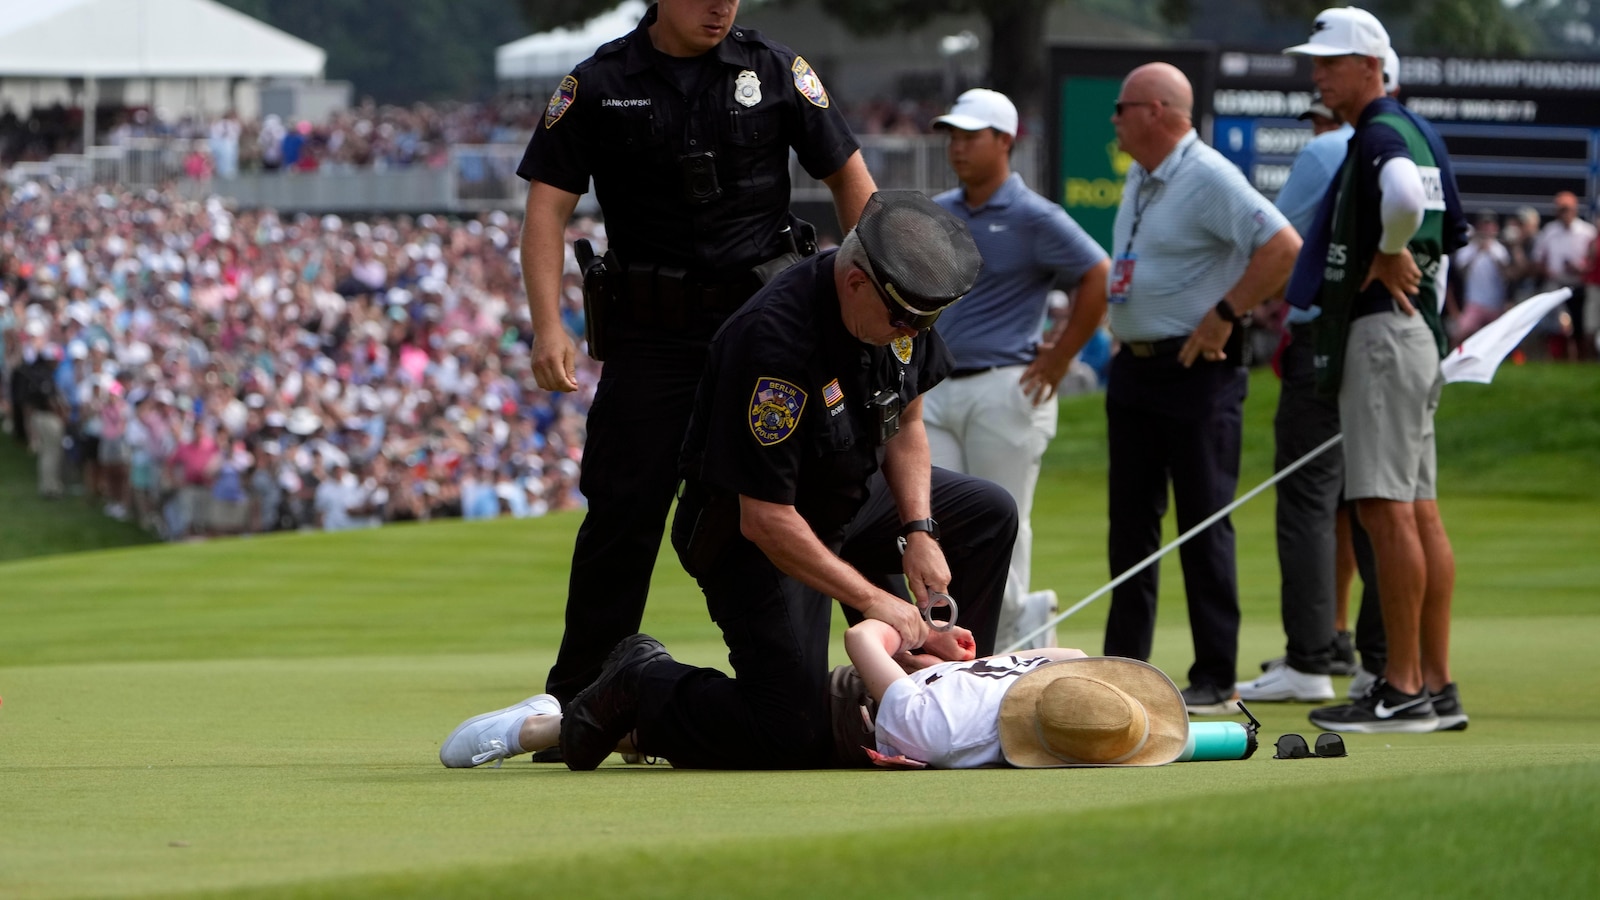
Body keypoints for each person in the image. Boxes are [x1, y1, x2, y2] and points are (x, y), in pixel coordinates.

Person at [516, 0, 879, 743]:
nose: (721, 5)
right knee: (623, 511)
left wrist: (873, 295)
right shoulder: (599, 81)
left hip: (767, 332)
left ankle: (897, 665)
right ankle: (579, 699)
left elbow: (852, 177)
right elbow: (547, 209)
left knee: (832, 487)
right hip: (653, 335)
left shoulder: (777, 70)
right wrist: (549, 325)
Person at [561, 191, 1017, 771]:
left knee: (987, 512)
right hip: (751, 533)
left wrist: (919, 530)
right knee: (790, 730)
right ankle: (642, 681)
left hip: (845, 493)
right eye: (904, 319)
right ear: (856, 284)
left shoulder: (900, 306)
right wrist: (877, 601)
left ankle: (942, 702)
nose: (914, 331)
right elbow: (765, 518)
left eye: (926, 322)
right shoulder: (773, 342)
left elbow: (906, 420)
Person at [1285, 6, 1471, 733]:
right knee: (1418, 510)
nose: (1318, 73)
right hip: (1413, 336)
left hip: (1382, 338)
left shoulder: (1378, 133)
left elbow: (1401, 200)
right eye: (1317, 62)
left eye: (1331, 63)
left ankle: (1401, 689)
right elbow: (1449, 231)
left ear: (1372, 67)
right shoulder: (1416, 130)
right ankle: (1433, 682)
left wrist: (1392, 247)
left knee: (1384, 509)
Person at [1100, 63, 1301, 715]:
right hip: (1135, 370)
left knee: (1202, 522)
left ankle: (1216, 674)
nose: (1114, 119)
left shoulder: (1208, 174)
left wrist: (1227, 311)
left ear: (1157, 111)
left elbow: (1283, 246)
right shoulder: (1141, 174)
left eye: (1122, 108)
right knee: (1129, 528)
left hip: (1196, 372)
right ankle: (1124, 668)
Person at [923, 88, 1111, 651]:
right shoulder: (939, 211)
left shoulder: (1035, 217)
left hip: (1007, 385)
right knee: (937, 522)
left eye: (970, 136)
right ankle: (971, 640)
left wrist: (1059, 356)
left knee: (1003, 521)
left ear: (1004, 142)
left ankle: (1003, 646)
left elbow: (1096, 275)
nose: (957, 146)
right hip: (934, 390)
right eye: (952, 135)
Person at [1236, 93, 1387, 705]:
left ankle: (1309, 658)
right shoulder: (1414, 146)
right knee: (1380, 499)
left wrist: (1231, 307)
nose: (1319, 131)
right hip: (1385, 343)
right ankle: (1384, 662)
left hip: (1324, 343)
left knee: (1307, 502)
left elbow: (1278, 242)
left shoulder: (1329, 150)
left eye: (1325, 116)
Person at [838, 618, 1187, 769]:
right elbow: (979, 669)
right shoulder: (1072, 666)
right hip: (898, 685)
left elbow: (860, 638)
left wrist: (924, 632)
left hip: (825, 709)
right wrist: (932, 663)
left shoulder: (941, 732)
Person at [1532, 191, 1597, 360]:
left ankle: (1582, 360)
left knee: (1581, 324)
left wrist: (1580, 268)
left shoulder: (1587, 231)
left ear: (1574, 210)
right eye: (1561, 209)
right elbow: (1538, 259)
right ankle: (1558, 358)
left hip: (1580, 284)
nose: (1564, 213)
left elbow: (1593, 260)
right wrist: (1549, 271)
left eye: (1567, 209)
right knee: (1558, 325)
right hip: (1557, 283)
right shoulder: (1549, 231)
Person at [1450, 211, 1513, 343]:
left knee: (1501, 338)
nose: (1487, 229)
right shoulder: (1468, 249)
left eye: (1490, 226)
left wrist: (1491, 253)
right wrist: (1478, 251)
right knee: (1460, 333)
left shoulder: (1500, 249)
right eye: (1484, 226)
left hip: (1496, 304)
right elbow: (1461, 272)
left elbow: (1507, 275)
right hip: (1474, 303)